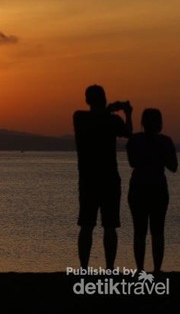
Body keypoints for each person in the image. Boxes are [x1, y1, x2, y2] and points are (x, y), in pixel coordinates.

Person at [73, 85, 132, 269]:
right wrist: (128, 114)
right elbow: (128, 133)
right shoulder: (108, 120)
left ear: (87, 100)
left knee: (88, 225)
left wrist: (110, 111)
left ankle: (85, 268)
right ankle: (109, 268)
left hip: (89, 179)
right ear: (104, 99)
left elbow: (98, 121)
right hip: (108, 179)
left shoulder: (80, 118)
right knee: (109, 226)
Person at [126, 108, 177, 273]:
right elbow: (173, 166)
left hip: (138, 188)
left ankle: (140, 269)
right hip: (158, 189)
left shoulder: (134, 140)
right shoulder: (165, 141)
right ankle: (156, 269)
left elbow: (132, 162)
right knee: (158, 231)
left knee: (139, 231)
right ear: (159, 124)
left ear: (143, 123)